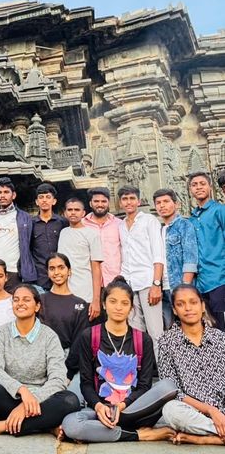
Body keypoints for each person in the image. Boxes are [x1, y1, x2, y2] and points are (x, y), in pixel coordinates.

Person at [62, 276, 177, 443]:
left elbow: (145, 385)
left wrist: (123, 406)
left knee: (168, 386)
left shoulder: (142, 340)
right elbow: (86, 383)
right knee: (71, 425)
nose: (118, 307)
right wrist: (99, 406)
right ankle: (138, 435)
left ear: (131, 308)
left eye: (124, 303)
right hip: (101, 411)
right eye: (113, 301)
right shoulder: (89, 336)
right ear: (104, 304)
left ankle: (104, 431)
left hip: (133, 409)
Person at [0, 284, 79, 438]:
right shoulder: (2, 333)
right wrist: (22, 390)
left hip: (41, 400)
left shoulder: (50, 336)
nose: (20, 303)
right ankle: (45, 426)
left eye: (26, 300)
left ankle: (0, 426)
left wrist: (28, 403)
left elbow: (58, 378)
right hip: (9, 396)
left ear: (37, 306)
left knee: (70, 400)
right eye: (16, 300)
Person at [159, 284, 225, 446]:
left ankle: (206, 439)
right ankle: (216, 434)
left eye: (193, 302)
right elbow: (172, 390)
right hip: (194, 413)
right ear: (174, 310)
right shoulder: (167, 342)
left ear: (202, 306)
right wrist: (210, 410)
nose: (188, 308)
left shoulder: (220, 338)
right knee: (170, 410)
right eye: (181, 304)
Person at [118, 186, 164, 358]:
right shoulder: (121, 225)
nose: (128, 202)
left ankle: (165, 376)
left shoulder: (149, 221)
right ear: (120, 203)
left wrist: (156, 284)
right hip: (129, 284)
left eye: (131, 198)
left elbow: (158, 254)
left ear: (138, 201)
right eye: (124, 199)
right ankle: (142, 376)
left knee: (155, 332)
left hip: (147, 282)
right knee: (136, 333)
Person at [153, 188, 198, 328]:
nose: (162, 205)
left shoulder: (184, 225)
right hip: (162, 288)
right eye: (158, 203)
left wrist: (185, 287)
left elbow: (190, 258)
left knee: (187, 325)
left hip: (178, 284)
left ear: (176, 204)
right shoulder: (158, 229)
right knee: (169, 328)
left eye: (166, 201)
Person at [0, 177, 36, 291]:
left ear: (13, 195)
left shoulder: (24, 217)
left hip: (14, 272)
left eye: (6, 192)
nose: (2, 195)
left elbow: (29, 244)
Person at [188, 171, 225, 330]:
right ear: (190, 190)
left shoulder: (220, 211)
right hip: (201, 283)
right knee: (211, 329)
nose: (199, 188)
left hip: (220, 279)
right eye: (194, 185)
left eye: (202, 184)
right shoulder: (192, 218)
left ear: (210, 187)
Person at [58, 198, 104, 321]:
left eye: (77, 210)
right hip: (65, 293)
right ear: (65, 213)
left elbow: (96, 268)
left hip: (85, 292)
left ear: (83, 213)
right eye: (70, 210)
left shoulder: (91, 234)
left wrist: (96, 300)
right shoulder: (63, 233)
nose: (73, 213)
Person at [40, 253, 89, 352]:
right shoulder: (41, 300)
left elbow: (80, 339)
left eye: (61, 267)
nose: (56, 272)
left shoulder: (80, 304)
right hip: (42, 355)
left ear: (69, 271)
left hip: (69, 357)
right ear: (48, 273)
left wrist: (69, 364)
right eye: (52, 268)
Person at [31, 183, 68, 291]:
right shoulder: (30, 223)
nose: (44, 200)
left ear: (54, 201)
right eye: (41, 197)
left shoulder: (62, 222)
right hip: (39, 277)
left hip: (60, 276)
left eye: (48, 197)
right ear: (37, 202)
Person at [83, 188, 121, 286]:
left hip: (115, 279)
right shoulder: (82, 224)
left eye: (103, 201)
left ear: (108, 203)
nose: (100, 204)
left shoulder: (119, 224)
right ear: (90, 203)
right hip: (90, 281)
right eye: (96, 201)